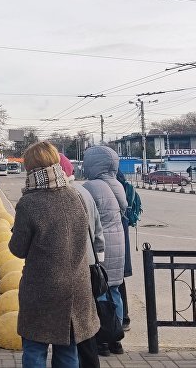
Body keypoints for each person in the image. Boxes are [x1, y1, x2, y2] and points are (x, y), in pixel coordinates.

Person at [9, 142, 100, 368]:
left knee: (35, 350)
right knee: (68, 351)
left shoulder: (29, 203)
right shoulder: (75, 196)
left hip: (42, 289)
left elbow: (17, 249)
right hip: (76, 287)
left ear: (31, 168)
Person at [59, 153, 104, 368]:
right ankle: (91, 362)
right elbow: (98, 232)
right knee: (85, 321)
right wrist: (99, 260)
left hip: (73, 268)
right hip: (89, 263)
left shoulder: (64, 196)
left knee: (75, 323)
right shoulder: (84, 193)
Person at [82, 145, 127, 356]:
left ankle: (102, 339)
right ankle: (116, 340)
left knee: (99, 292)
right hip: (119, 245)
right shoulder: (116, 184)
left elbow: (87, 219)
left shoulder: (92, 186)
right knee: (115, 291)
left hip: (102, 247)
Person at [116, 170, 142, 333]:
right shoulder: (124, 188)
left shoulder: (108, 188)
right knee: (118, 282)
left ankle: (113, 327)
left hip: (108, 246)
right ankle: (123, 319)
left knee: (107, 285)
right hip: (121, 241)